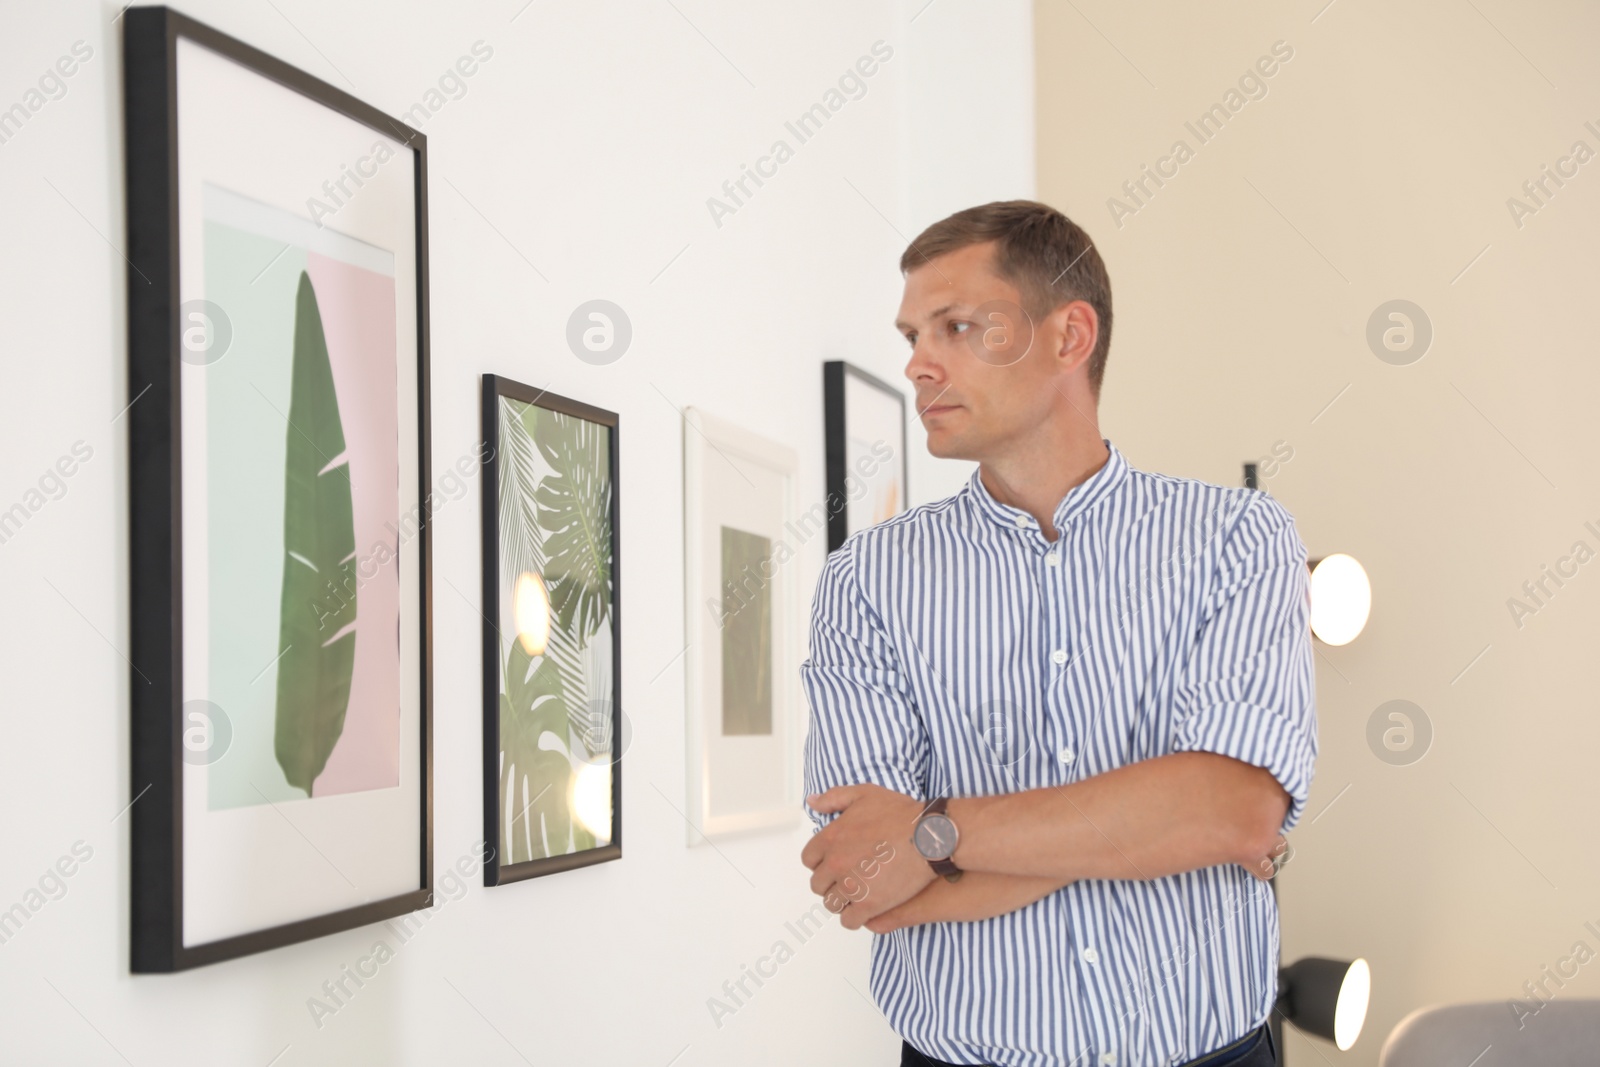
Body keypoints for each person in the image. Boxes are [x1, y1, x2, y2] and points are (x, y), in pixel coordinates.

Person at [798, 200, 1315, 1067]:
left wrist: (934, 834)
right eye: (913, 335)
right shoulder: (866, 582)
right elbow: (866, 879)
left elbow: (1234, 809)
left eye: (957, 327)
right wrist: (1159, 828)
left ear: (1071, 337)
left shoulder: (1239, 537)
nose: (919, 364)